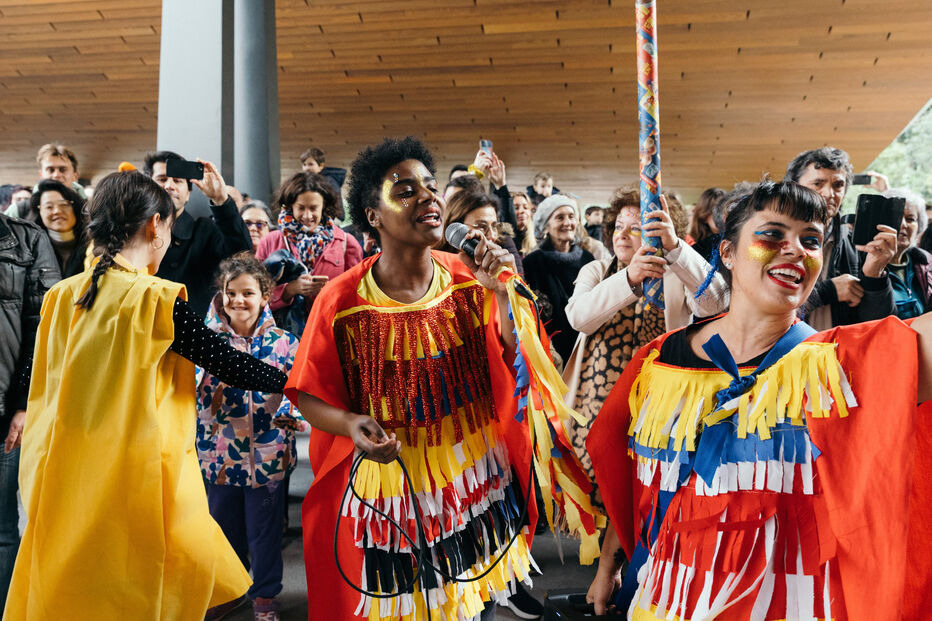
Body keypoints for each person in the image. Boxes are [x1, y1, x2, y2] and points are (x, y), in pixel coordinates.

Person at [585, 180, 931, 620]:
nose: (795, 250)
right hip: (663, 596)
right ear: (727, 253)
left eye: (810, 241)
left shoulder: (838, 366)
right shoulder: (659, 359)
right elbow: (641, 478)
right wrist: (609, 565)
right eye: (773, 234)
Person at [285, 137, 599, 621]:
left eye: (431, 187)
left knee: (475, 607)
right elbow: (307, 394)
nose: (428, 198)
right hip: (394, 488)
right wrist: (350, 424)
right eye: (405, 190)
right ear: (372, 216)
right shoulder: (342, 299)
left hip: (475, 476)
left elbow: (518, 361)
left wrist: (501, 294)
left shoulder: (469, 277)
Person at [6, 171, 292, 620]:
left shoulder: (61, 296)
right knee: (146, 584)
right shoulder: (155, 299)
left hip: (66, 469)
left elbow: (33, 372)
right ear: (155, 225)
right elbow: (227, 361)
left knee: (80, 584)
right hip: (136, 472)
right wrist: (299, 381)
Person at [562, 187, 729, 485]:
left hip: (658, 409)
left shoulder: (678, 273)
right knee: (598, 490)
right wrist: (628, 278)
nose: (621, 235)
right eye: (617, 227)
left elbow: (717, 302)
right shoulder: (596, 270)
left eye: (635, 228)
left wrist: (676, 248)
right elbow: (578, 318)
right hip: (595, 408)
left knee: (646, 491)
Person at [196, 252, 302, 621]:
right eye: (231, 293)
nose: (238, 300)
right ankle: (229, 590)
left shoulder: (285, 342)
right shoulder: (203, 341)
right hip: (218, 455)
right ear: (220, 294)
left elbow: (299, 390)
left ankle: (265, 596)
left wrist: (291, 415)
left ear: (265, 296)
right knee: (223, 531)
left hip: (271, 455)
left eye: (247, 293)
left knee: (266, 532)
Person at [0, 212, 59, 611]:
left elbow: (44, 328)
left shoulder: (26, 240)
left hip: (6, 407)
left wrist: (23, 403)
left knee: (3, 527)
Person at [786, 147, 896, 329]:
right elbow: (760, 310)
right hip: (785, 352)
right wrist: (827, 292)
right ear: (795, 186)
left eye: (838, 185)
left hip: (837, 353)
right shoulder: (775, 240)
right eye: (818, 183)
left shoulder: (859, 244)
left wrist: (874, 275)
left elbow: (878, 324)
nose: (829, 194)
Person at [144, 150, 253, 316]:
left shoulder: (204, 231)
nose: (169, 186)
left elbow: (241, 253)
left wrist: (221, 199)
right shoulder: (133, 232)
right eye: (162, 179)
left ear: (188, 194)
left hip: (191, 334)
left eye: (177, 180)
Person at [255, 171, 363, 335]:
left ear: (324, 207)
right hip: (281, 337)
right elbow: (254, 294)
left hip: (329, 334)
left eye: (313, 208)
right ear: (290, 206)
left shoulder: (347, 243)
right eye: (301, 208)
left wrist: (331, 293)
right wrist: (290, 290)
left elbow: (357, 297)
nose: (307, 215)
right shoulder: (270, 241)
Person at [523, 194, 596, 363]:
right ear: (545, 226)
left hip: (585, 344)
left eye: (571, 216)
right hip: (550, 349)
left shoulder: (588, 259)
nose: (567, 223)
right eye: (559, 217)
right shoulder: (533, 262)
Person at [436, 188, 524, 274]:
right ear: (456, 230)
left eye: (494, 226)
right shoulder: (437, 263)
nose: (492, 236)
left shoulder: (503, 247)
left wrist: (506, 278)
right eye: (481, 226)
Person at [883, 188, 932, 318]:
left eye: (910, 219)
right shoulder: (863, 264)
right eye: (896, 217)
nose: (903, 224)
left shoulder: (926, 262)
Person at [28, 179, 89, 278]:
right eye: (49, 207)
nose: (57, 211)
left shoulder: (94, 245)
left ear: (75, 208)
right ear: (39, 212)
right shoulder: (29, 250)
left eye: (64, 204)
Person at [688, 186, 726, 261]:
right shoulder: (696, 252)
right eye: (716, 211)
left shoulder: (736, 241)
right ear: (704, 216)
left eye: (725, 209)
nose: (722, 215)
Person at [511, 191, 537, 256]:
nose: (522, 211)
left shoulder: (536, 240)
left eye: (525, 207)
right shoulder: (502, 240)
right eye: (516, 208)